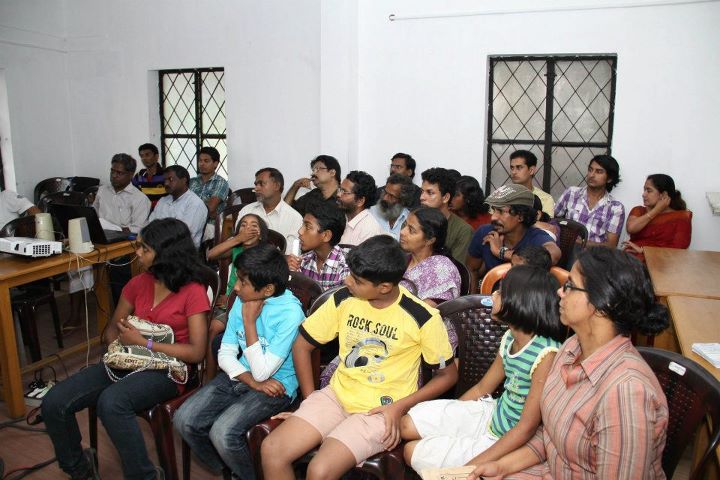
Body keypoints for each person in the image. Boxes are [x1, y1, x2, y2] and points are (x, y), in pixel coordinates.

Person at [261, 236, 458, 479]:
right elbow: (302, 345)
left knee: (319, 471)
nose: (347, 281)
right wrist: (310, 398)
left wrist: (400, 407)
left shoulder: (422, 317)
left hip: (380, 410)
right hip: (336, 396)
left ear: (384, 287)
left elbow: (447, 376)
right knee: (272, 450)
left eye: (357, 280)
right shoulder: (344, 299)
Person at [469, 248, 669, 480]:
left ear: (601, 303)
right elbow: (550, 436)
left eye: (570, 286)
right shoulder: (571, 347)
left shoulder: (626, 392)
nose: (559, 292)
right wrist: (502, 467)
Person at [41, 218, 211, 480]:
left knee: (112, 403)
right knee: (54, 401)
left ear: (167, 253)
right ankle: (80, 470)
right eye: (138, 246)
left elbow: (196, 352)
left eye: (144, 248)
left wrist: (144, 343)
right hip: (128, 359)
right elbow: (111, 331)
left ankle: (145, 476)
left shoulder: (192, 291)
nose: (137, 253)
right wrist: (120, 347)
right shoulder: (138, 283)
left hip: (168, 370)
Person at [401, 265, 564, 473]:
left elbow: (526, 428)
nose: (493, 295)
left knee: (411, 452)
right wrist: (453, 419)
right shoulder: (510, 338)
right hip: (492, 414)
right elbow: (482, 388)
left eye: (500, 292)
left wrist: (475, 464)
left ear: (520, 300)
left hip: (505, 439)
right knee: (407, 424)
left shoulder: (546, 353)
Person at [174, 244, 304, 479]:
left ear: (268, 289)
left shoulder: (290, 314)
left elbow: (263, 373)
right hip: (243, 375)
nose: (235, 287)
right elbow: (225, 353)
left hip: (277, 386)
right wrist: (250, 381)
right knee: (184, 420)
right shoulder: (244, 300)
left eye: (243, 282)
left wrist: (250, 323)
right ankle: (232, 469)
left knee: (223, 432)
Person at [205, 213, 269, 379]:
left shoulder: (264, 254)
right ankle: (208, 377)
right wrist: (237, 239)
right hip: (230, 303)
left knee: (216, 327)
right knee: (211, 327)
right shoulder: (236, 249)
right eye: (243, 225)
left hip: (250, 304)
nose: (248, 229)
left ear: (261, 234)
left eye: (254, 226)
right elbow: (211, 254)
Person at [466, 185, 561, 293]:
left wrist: (501, 252)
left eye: (501, 211)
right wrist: (471, 300)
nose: (493, 217)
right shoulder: (485, 232)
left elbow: (552, 255)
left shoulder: (536, 237)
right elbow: (471, 269)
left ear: (521, 216)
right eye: (494, 210)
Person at [554, 155, 625, 248]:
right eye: (590, 170)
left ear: (609, 179)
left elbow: (611, 245)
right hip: (565, 250)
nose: (592, 175)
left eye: (599, 172)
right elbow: (552, 218)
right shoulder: (571, 193)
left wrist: (578, 242)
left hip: (594, 255)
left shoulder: (615, 207)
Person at [399, 207, 461, 306]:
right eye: (405, 225)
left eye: (411, 230)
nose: (402, 232)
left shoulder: (441, 269)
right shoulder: (403, 259)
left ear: (430, 240)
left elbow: (426, 311)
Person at [624, 174, 692, 261]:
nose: (643, 194)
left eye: (649, 191)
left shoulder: (681, 217)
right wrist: (656, 211)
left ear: (663, 195)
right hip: (631, 260)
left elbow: (679, 249)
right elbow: (631, 228)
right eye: (644, 190)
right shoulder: (638, 210)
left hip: (663, 263)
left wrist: (643, 251)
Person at [287, 201, 350, 291]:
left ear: (326, 235)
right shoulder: (303, 261)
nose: (300, 231)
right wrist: (293, 274)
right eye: (302, 225)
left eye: (308, 227)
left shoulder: (345, 268)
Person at [236, 167, 303, 251]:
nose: (256, 188)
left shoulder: (294, 218)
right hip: (245, 257)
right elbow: (237, 242)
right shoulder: (247, 210)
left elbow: (292, 252)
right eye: (256, 184)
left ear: (276, 186)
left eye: (261, 184)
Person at [420, 167, 473, 264]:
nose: (422, 197)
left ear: (445, 197)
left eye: (430, 193)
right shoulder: (413, 220)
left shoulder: (463, 230)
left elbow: (455, 268)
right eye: (422, 191)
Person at [149, 165, 207, 248]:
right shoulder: (162, 201)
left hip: (182, 251)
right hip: (158, 247)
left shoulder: (194, 203)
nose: (166, 183)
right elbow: (150, 226)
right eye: (164, 180)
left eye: (170, 179)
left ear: (184, 180)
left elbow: (184, 235)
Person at [189, 146, 230, 239]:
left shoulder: (220, 182)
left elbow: (210, 208)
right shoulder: (191, 182)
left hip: (210, 224)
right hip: (188, 220)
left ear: (215, 164)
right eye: (200, 161)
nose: (202, 164)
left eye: (206, 161)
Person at [337, 170, 384, 245]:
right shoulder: (344, 219)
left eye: (344, 192)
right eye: (340, 189)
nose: (338, 194)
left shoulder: (369, 230)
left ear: (360, 201)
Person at [509, 150, 554, 217]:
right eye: (512, 168)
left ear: (531, 170)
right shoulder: (502, 196)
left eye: (519, 167)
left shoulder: (545, 199)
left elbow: (547, 223)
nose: (513, 172)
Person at [370, 173, 414, 240]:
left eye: (391, 196)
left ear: (403, 200)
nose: (385, 198)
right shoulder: (370, 213)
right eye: (385, 192)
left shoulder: (410, 219)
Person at [132, 143, 167, 208]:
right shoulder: (139, 175)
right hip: (142, 211)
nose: (144, 158)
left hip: (162, 211)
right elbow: (132, 194)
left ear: (156, 156)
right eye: (141, 156)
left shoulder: (166, 175)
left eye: (147, 155)